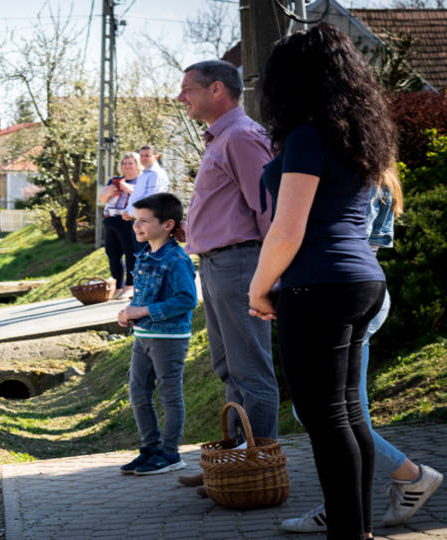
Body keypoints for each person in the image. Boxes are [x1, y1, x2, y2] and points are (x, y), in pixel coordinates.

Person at [248, 24, 394, 539]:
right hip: (360, 282)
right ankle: (359, 530)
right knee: (347, 414)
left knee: (326, 418)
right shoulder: (357, 133)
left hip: (317, 284)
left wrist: (258, 288)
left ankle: (348, 533)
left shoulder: (310, 136)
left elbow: (288, 230)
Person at [280, 167, 443, 533]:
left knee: (333, 414)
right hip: (360, 293)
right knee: (345, 412)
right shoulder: (377, 179)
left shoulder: (351, 178)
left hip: (342, 296)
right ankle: (346, 503)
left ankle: (408, 477)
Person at [175, 59, 278, 491]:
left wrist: (268, 278)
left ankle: (257, 466)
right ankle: (234, 459)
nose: (182, 98)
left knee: (250, 369)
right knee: (228, 367)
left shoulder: (241, 137)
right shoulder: (222, 137)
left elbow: (269, 209)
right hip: (218, 265)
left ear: (217, 89)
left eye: (188, 90)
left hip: (240, 265)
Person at [116, 193, 198, 476]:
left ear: (167, 224)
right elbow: (143, 300)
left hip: (169, 339)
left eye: (144, 221)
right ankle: (150, 449)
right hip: (143, 336)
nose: (136, 226)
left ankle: (170, 453)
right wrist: (129, 312)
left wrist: (143, 311)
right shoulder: (143, 255)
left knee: (169, 396)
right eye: (135, 220)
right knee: (138, 393)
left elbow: (187, 299)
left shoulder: (176, 258)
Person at [99, 153, 142, 300]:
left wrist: (128, 188)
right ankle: (117, 286)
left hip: (128, 220)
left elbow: (143, 197)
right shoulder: (114, 180)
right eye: (124, 163)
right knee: (112, 254)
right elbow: (102, 199)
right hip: (110, 219)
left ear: (137, 164)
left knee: (130, 252)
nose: (127, 166)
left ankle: (130, 286)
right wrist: (109, 192)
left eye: (130, 163)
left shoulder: (141, 180)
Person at [125, 145, 172, 218]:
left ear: (156, 157)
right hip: (140, 217)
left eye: (147, 156)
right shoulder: (144, 174)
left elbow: (150, 198)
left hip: (149, 218)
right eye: (141, 156)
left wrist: (131, 212)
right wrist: (129, 211)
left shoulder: (156, 174)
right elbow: (137, 195)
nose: (143, 158)